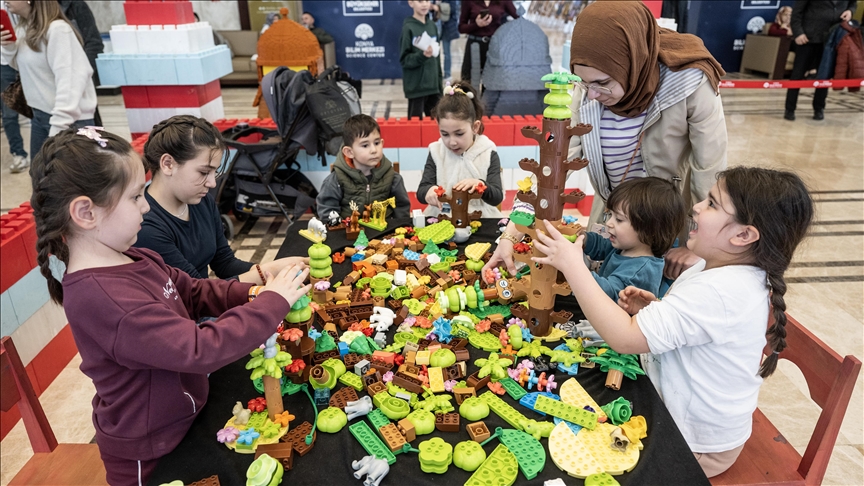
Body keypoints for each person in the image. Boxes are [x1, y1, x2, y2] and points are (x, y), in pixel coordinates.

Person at [30, 126, 311, 485]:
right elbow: (198, 348)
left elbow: (193, 292)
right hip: (150, 450)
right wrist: (272, 302)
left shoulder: (133, 255)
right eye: (134, 198)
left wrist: (256, 288)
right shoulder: (104, 299)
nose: (146, 205)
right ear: (86, 212)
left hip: (185, 419)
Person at [530, 166, 814, 478]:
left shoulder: (719, 290)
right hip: (681, 411)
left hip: (695, 443)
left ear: (743, 235)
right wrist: (658, 309)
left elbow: (624, 339)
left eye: (711, 204)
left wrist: (573, 266)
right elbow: (697, 325)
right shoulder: (717, 271)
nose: (696, 206)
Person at [484, 1, 726, 281]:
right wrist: (511, 236)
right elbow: (551, 168)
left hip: (668, 233)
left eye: (603, 82)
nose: (594, 95)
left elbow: (709, 173)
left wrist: (699, 246)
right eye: (585, 83)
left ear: (631, 61)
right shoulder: (585, 91)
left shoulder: (689, 83)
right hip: (614, 225)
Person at [136, 115, 307, 281]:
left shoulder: (202, 201)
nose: (211, 183)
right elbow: (198, 293)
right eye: (204, 172)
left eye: (214, 173)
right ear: (167, 164)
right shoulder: (146, 229)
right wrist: (270, 271)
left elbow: (225, 263)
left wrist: (276, 270)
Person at [0, 0, 96, 161]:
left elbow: (70, 82)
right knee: (40, 179)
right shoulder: (25, 29)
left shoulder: (58, 30)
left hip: (69, 122)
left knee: (70, 183)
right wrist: (9, 47)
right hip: (41, 116)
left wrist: (58, 128)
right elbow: (26, 68)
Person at [579, 177, 686, 302]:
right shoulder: (626, 246)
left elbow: (605, 294)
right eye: (610, 215)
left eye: (619, 219)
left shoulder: (640, 271)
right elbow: (602, 246)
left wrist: (574, 266)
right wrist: (584, 238)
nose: (609, 223)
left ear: (648, 229)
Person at [416, 81, 503, 218]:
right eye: (444, 134)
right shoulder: (436, 151)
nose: (452, 142)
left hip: (480, 218)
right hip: (442, 217)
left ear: (475, 127)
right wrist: (429, 191)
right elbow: (421, 191)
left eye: (459, 134)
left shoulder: (488, 152)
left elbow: (497, 196)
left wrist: (481, 185)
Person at [316, 114, 410, 220]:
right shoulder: (335, 180)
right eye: (365, 145)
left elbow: (402, 210)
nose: (374, 150)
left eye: (377, 143)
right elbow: (327, 211)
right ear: (349, 152)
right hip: (349, 233)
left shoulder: (393, 177)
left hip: (385, 232)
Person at [784, 0, 857, 121]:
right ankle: (790, 108)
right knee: (797, 74)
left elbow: (853, 3)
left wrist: (850, 11)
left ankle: (819, 108)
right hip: (808, 37)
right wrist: (798, 33)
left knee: (824, 76)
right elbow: (797, 12)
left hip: (831, 39)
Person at [458, 0, 519, 85]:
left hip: (493, 46)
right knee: (469, 84)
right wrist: (476, 25)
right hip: (474, 45)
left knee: (491, 86)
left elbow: (519, 18)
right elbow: (461, 28)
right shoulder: (469, 2)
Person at [400, 0, 443, 119]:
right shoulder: (408, 28)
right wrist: (422, 55)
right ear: (411, 3)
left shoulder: (432, 26)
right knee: (414, 127)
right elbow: (405, 60)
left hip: (434, 87)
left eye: (427, 1)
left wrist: (439, 84)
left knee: (437, 125)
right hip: (417, 88)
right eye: (420, 1)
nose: (424, 4)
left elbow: (437, 58)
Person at [0, 7, 27, 173]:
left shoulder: (13, 6)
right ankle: (18, 153)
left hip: (10, 61)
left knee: (10, 111)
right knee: (7, 115)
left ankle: (20, 154)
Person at [439, 1, 461, 82]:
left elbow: (453, 9)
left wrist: (438, 7)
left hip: (447, 27)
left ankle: (447, 74)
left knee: (446, 52)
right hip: (435, 25)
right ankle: (437, 73)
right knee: (434, 52)